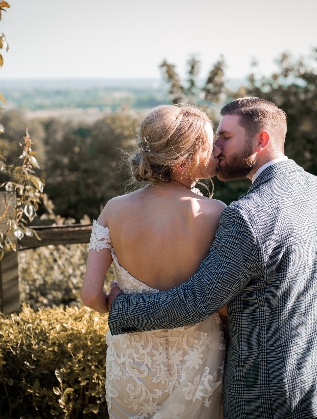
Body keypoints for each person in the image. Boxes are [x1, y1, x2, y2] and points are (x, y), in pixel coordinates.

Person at [107, 97, 317, 419]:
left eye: (225, 137)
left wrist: (121, 306)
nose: (215, 147)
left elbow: (196, 301)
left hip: (268, 393)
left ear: (262, 140)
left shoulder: (248, 215)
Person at [81, 104, 227, 419]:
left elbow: (91, 295)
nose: (215, 151)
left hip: (132, 369)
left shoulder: (114, 210)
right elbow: (226, 302)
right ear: (186, 158)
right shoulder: (216, 213)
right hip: (198, 367)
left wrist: (121, 306)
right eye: (208, 145)